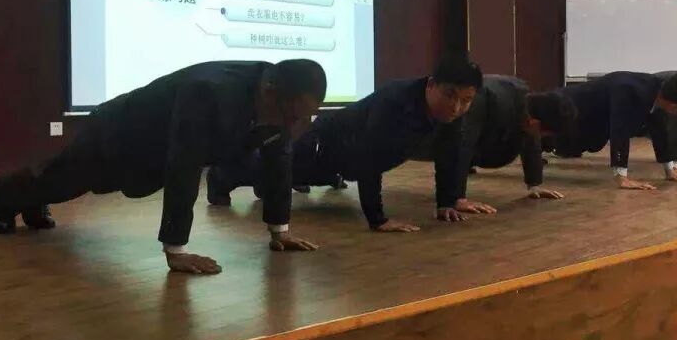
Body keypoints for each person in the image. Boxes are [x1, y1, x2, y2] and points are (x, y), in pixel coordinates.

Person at [0, 59, 327, 275]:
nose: (296, 126)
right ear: (269, 91)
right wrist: (175, 249)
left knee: (60, 182)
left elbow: (278, 162)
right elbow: (185, 165)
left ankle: (33, 203)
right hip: (118, 133)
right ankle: (4, 196)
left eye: (306, 118)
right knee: (64, 181)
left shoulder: (280, 107)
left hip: (151, 149)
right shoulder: (210, 92)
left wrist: (280, 230)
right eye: (293, 115)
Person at [207, 55, 483, 231]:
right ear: (431, 84)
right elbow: (370, 158)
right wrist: (378, 220)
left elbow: (450, 154)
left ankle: (264, 185)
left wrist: (447, 202)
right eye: (450, 96)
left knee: (287, 176)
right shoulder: (395, 102)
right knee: (277, 169)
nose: (457, 107)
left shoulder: (452, 114)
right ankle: (221, 177)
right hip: (324, 145)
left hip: (346, 161)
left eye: (466, 100)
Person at [551, 70, 677, 191]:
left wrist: (670, 170)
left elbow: (659, 132)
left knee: (570, 146)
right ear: (675, 106)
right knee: (545, 141)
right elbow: (619, 130)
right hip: (563, 111)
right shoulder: (632, 91)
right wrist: (622, 177)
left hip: (587, 129)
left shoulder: (656, 94)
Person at [416, 75, 578, 213]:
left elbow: (531, 141)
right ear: (534, 122)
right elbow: (458, 145)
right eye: (543, 133)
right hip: (427, 126)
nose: (541, 138)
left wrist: (534, 184)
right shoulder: (483, 101)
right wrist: (456, 199)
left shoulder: (529, 106)